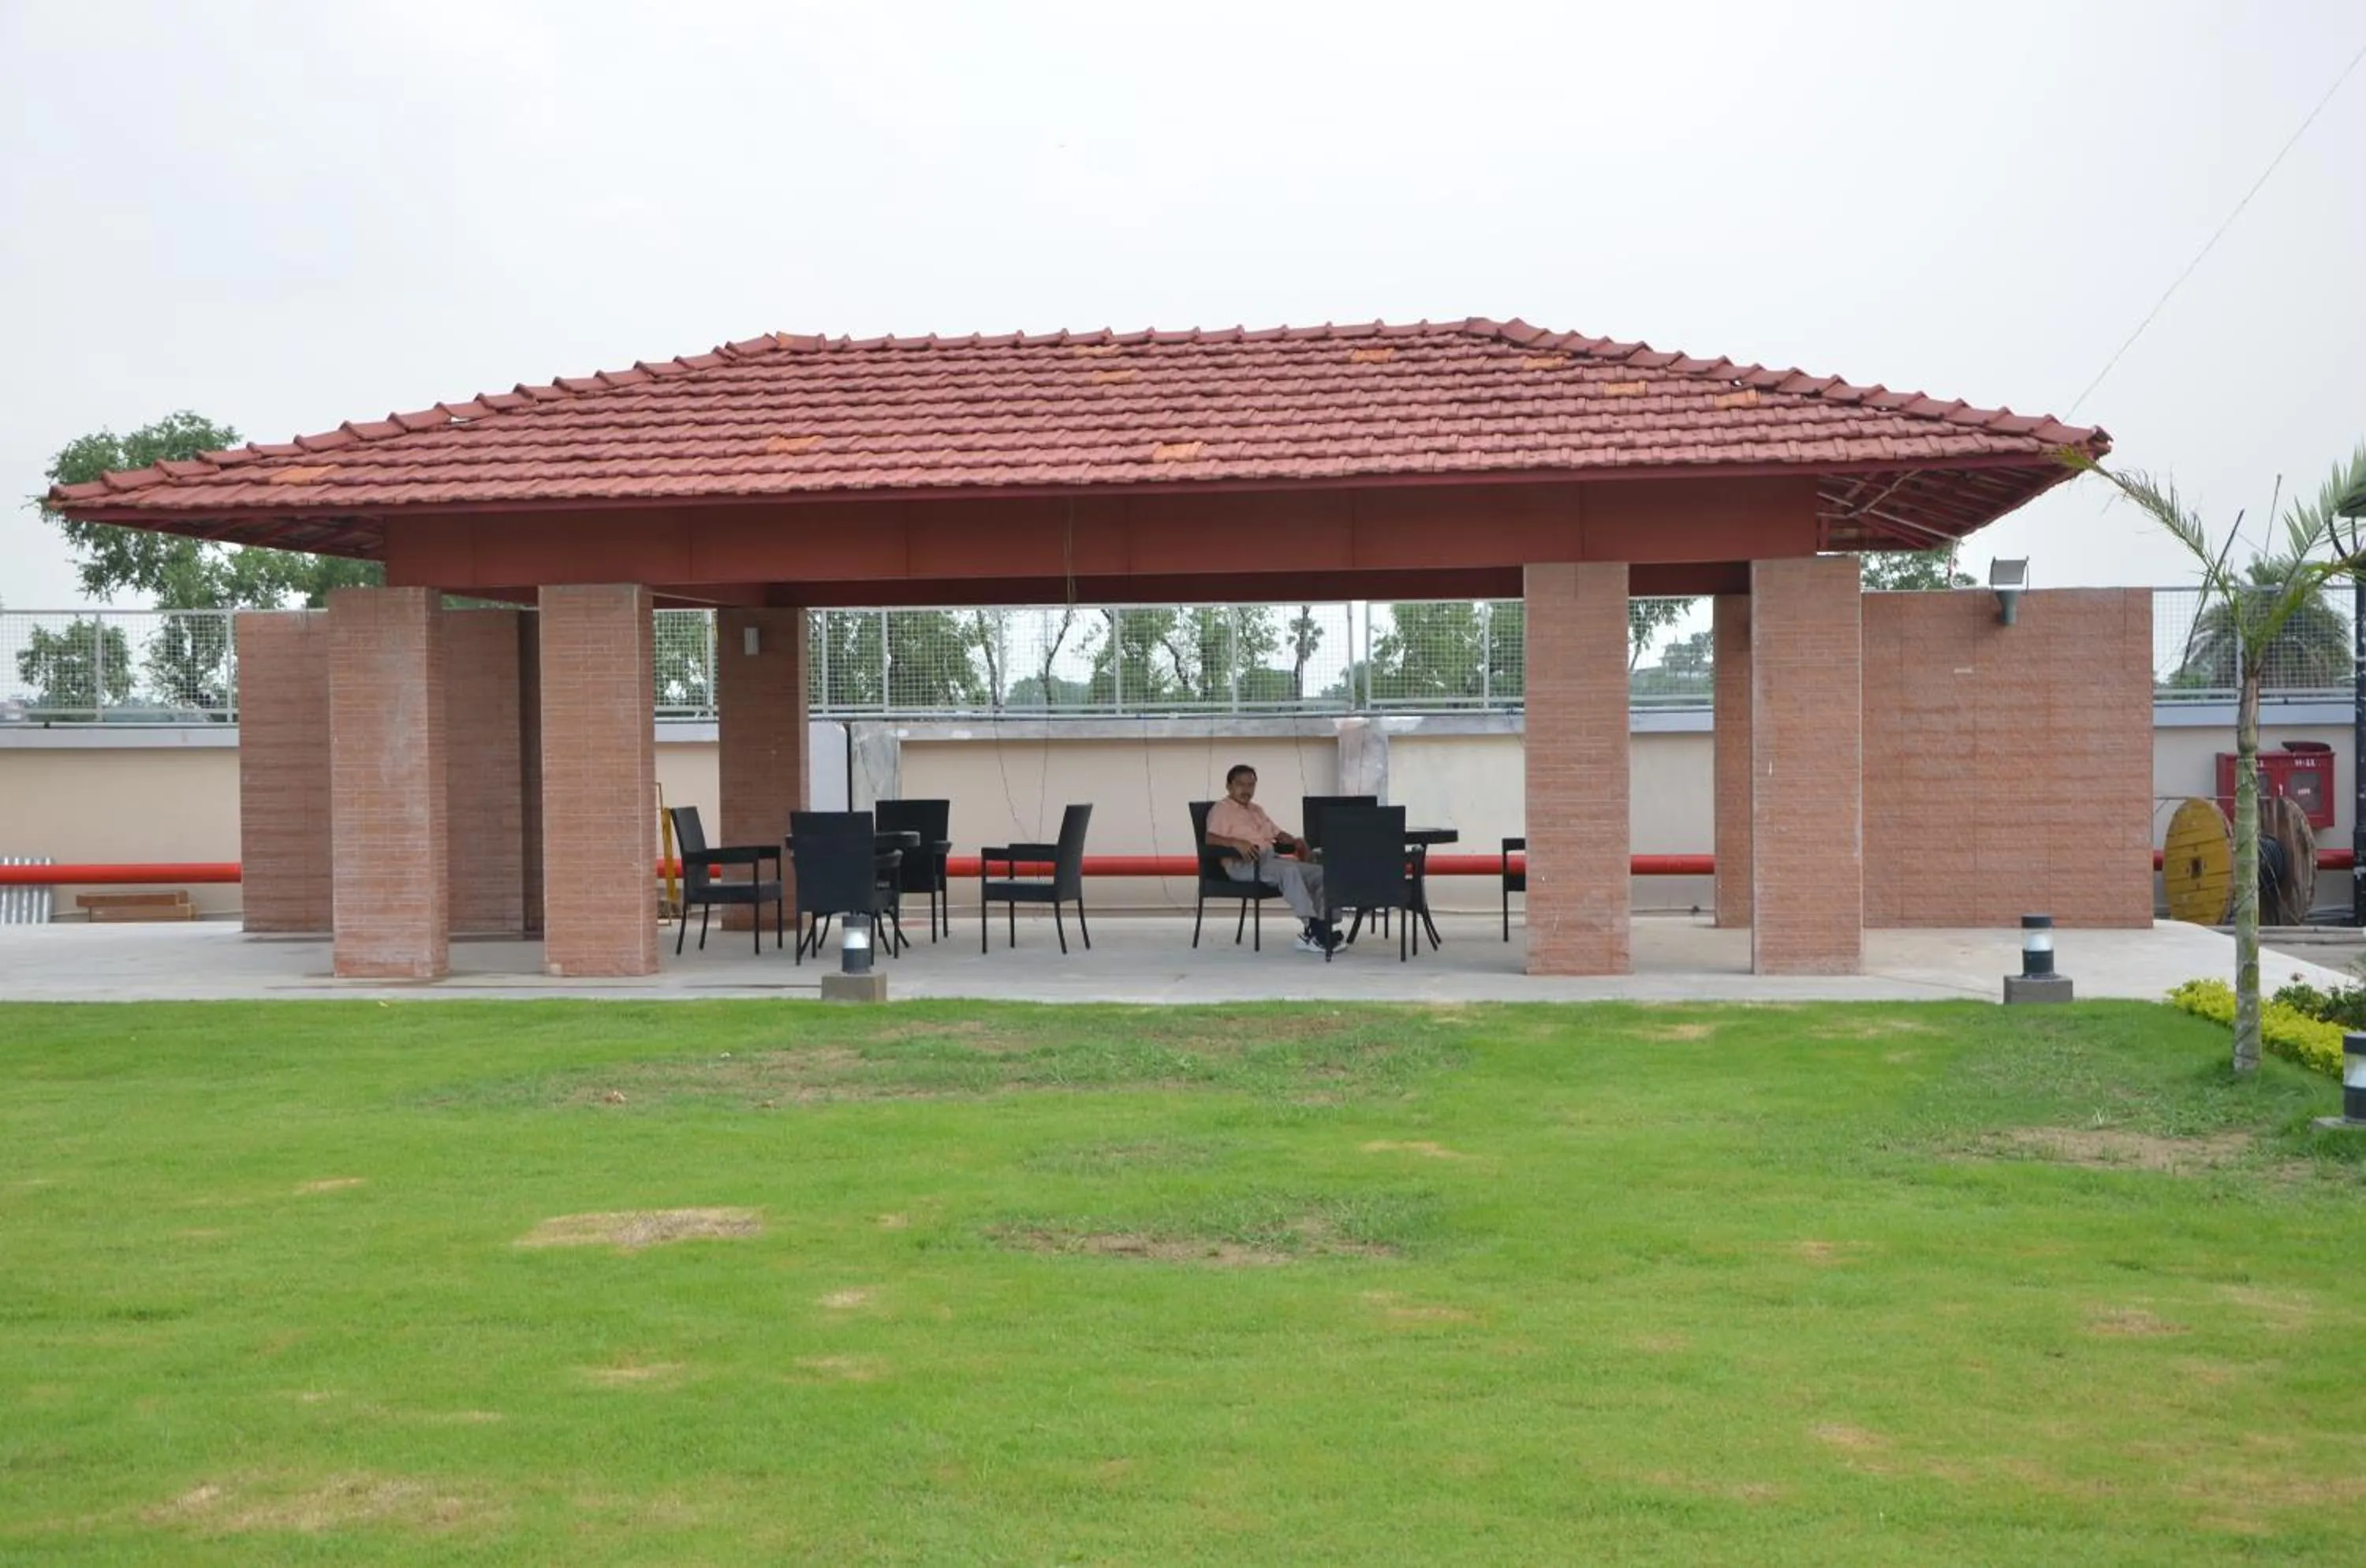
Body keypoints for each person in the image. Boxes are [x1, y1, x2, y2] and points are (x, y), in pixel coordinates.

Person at [1204, 763, 1341, 954]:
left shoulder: (1256, 810)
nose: (1246, 790)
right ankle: (1313, 927)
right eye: (1240, 784)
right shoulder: (1221, 810)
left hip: (1270, 860)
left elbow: (1277, 834)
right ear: (1228, 786)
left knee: (1323, 873)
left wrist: (1296, 842)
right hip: (1242, 864)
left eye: (1251, 785)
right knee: (1289, 871)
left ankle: (1325, 925)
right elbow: (1210, 839)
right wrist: (1235, 843)